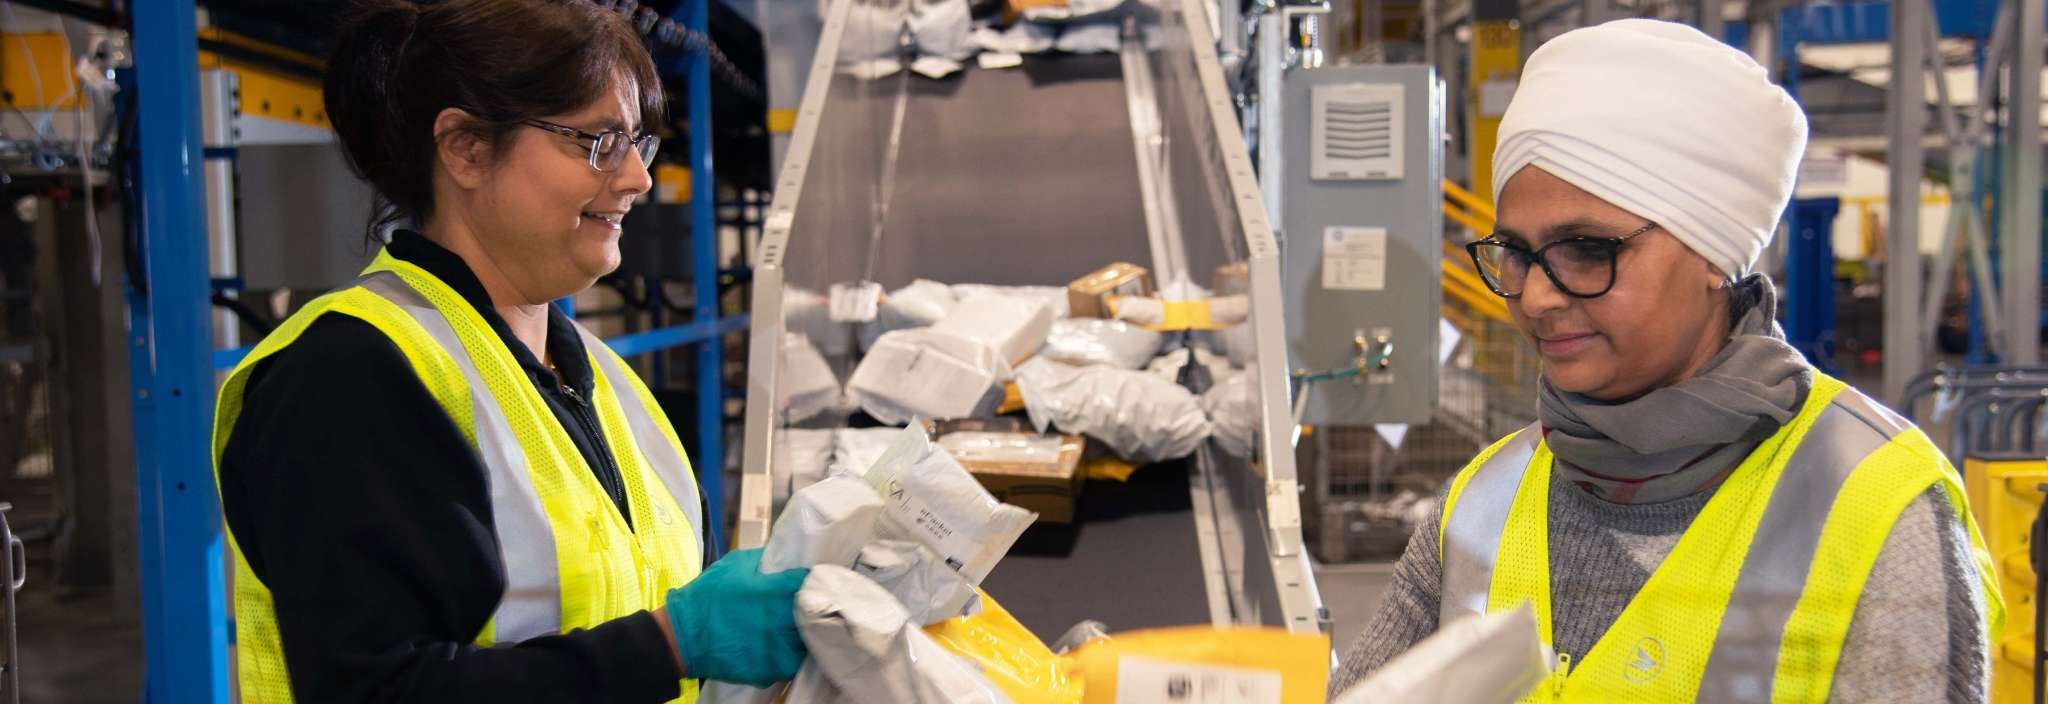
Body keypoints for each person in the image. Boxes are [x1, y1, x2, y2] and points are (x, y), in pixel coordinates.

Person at [1329, 19, 2001, 702]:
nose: (1534, 296)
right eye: (1518, 253)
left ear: (1712, 254)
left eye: (1588, 250)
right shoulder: (1482, 503)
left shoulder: (1876, 507)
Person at [211, 1, 808, 701]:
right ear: (465, 148)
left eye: (639, 143)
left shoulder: (608, 382)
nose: (638, 179)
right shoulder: (349, 376)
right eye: (598, 141)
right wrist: (670, 644)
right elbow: (376, 689)